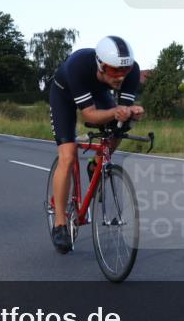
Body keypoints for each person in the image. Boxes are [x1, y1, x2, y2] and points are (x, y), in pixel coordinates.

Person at [48, 36, 145, 253]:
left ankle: (96, 164)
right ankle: (60, 223)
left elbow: (120, 114)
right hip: (64, 94)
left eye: (125, 70)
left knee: (119, 126)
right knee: (68, 155)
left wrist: (131, 113)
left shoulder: (131, 73)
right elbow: (89, 115)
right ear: (101, 65)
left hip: (98, 92)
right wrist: (116, 111)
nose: (121, 76)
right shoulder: (79, 66)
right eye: (114, 70)